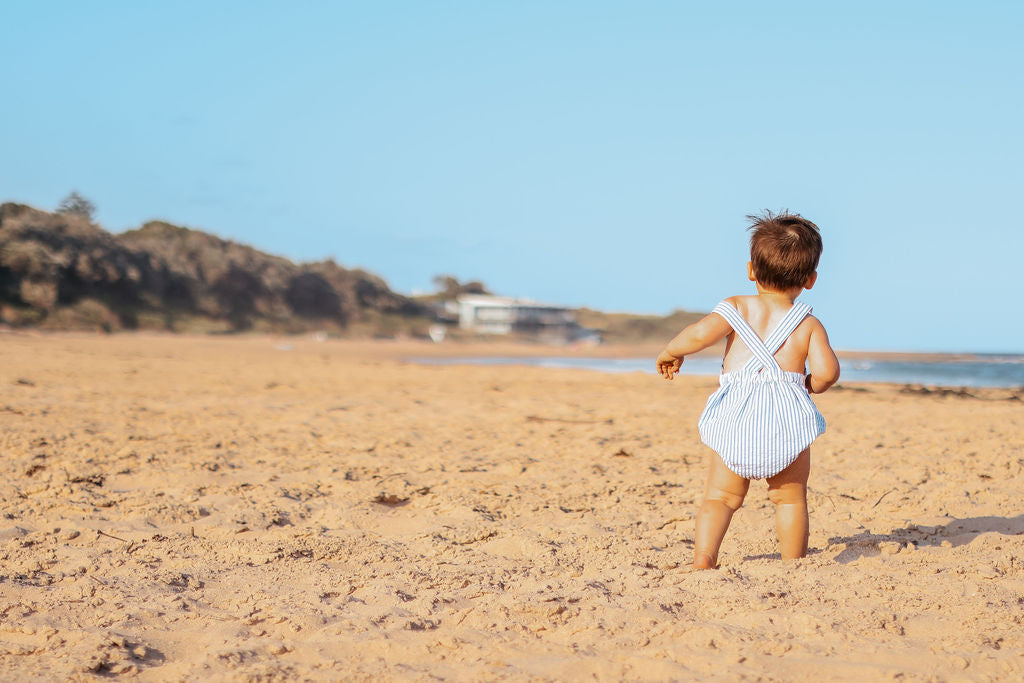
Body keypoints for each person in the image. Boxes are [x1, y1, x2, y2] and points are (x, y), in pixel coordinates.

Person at [655, 211, 840, 570]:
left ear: (751, 270)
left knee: (720, 498)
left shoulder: (736, 307)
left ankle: (704, 559)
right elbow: (828, 371)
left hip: (736, 419)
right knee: (789, 499)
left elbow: (696, 335)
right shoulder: (807, 322)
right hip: (786, 422)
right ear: (811, 279)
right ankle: (793, 563)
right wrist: (811, 385)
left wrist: (672, 351)